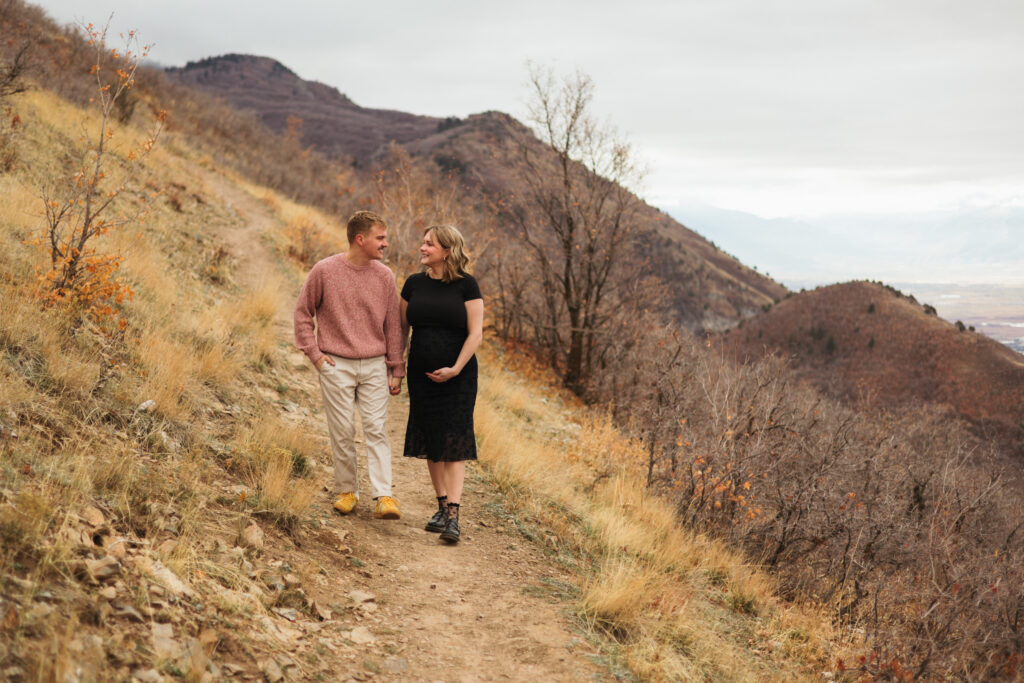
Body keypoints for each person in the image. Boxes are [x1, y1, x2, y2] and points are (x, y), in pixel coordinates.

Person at [293, 210, 405, 520]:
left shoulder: (384, 276)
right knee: (341, 429)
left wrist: (396, 368)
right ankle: (346, 491)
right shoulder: (325, 271)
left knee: (376, 429)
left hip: (373, 365)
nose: (385, 244)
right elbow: (303, 313)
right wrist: (315, 355)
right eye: (380, 238)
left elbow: (393, 325)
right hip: (335, 364)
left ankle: (384, 496)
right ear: (361, 239)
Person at [400, 225, 483, 544]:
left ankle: (454, 514)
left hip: (459, 377)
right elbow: (401, 328)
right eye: (422, 242)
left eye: (429, 244)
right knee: (431, 437)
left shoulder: (466, 285)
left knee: (454, 440)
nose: (422, 248)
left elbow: (475, 333)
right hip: (420, 377)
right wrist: (397, 367)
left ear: (447, 251)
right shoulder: (413, 284)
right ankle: (440, 506)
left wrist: (455, 368)